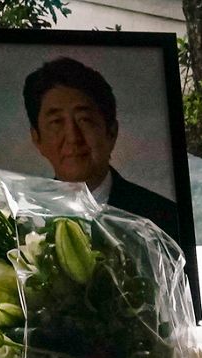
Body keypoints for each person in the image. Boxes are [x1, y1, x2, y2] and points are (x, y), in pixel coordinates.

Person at [23, 57, 181, 244]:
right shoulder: (23, 221)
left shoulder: (165, 218)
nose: (73, 137)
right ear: (37, 139)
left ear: (111, 132)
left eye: (84, 120)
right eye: (57, 122)